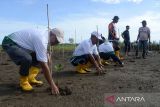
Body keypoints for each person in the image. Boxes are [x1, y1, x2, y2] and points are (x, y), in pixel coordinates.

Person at [2, 28, 64, 94]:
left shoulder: (46, 35)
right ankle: (24, 82)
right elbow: (44, 65)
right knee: (26, 59)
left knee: (40, 57)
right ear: (52, 34)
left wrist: (47, 55)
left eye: (58, 42)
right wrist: (52, 85)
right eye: (56, 40)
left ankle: (30, 78)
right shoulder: (42, 38)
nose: (56, 43)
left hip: (23, 46)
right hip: (10, 42)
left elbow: (43, 52)